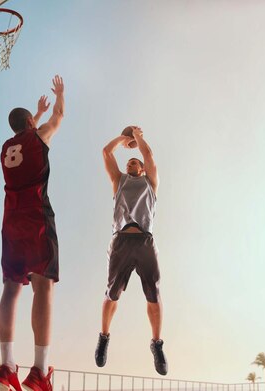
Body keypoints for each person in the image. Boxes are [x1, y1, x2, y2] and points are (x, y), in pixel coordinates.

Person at [0, 75, 65, 391]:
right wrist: (60, 95)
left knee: (11, 287)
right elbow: (58, 117)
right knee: (43, 286)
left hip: (11, 218)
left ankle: (6, 366)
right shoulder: (38, 138)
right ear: (32, 122)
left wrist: (34, 112)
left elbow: (28, 129)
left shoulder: (6, 147)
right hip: (36, 216)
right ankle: (39, 370)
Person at [94, 126, 168, 376]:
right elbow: (106, 151)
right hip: (121, 241)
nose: (130, 163)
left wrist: (137, 136)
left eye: (134, 161)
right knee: (111, 295)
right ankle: (104, 337)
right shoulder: (119, 181)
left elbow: (148, 154)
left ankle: (156, 345)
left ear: (143, 168)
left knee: (154, 297)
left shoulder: (151, 181)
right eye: (128, 162)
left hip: (145, 241)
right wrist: (124, 138)